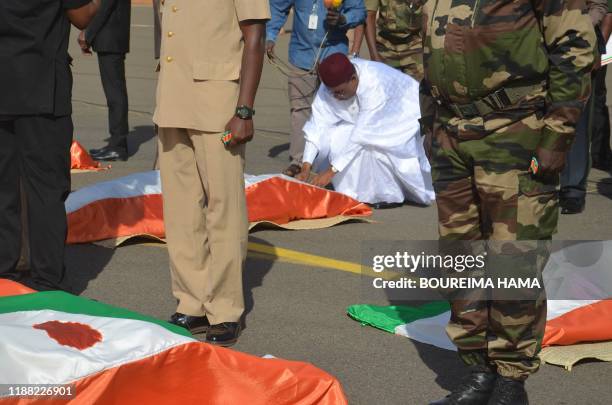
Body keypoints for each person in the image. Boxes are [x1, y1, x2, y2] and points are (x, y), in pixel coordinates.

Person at [421, 1, 595, 404]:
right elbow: (429, 54)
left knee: (512, 261)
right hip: (450, 135)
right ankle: (478, 372)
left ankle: (510, 380)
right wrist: (428, 126)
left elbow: (574, 46)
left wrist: (557, 137)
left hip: (514, 132)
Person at [153, 0, 270, 347]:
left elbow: (255, 35)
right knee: (180, 211)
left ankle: (224, 309)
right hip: (174, 100)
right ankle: (192, 301)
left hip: (219, 103)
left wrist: (244, 110)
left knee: (224, 209)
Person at [0, 0, 99, 290]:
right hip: (41, 89)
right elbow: (82, 16)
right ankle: (46, 280)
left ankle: (6, 275)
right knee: (45, 191)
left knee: (4, 188)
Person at [296, 53, 435, 207]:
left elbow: (363, 135)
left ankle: (389, 195)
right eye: (332, 92)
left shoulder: (373, 82)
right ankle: (356, 193)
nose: (335, 97)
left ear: (353, 80)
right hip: (362, 124)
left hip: (401, 117)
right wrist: (306, 166)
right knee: (338, 136)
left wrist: (331, 171)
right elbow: (318, 124)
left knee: (377, 145)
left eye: (340, 92)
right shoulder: (330, 87)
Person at [266, 0, 366, 177]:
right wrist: (270, 36)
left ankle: (336, 164)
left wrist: (344, 19)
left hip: (333, 56)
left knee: (338, 111)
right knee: (300, 109)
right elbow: (277, 7)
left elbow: (359, 12)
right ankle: (298, 161)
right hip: (301, 55)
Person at [79, 0, 132, 162]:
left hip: (111, 39)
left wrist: (88, 34)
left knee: (115, 94)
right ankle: (116, 143)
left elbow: (105, 8)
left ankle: (118, 146)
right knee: (115, 93)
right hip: (112, 39)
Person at [361, 0, 424, 81]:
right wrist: (374, 56)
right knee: (383, 89)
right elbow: (369, 16)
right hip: (385, 47)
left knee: (417, 89)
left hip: (415, 46)